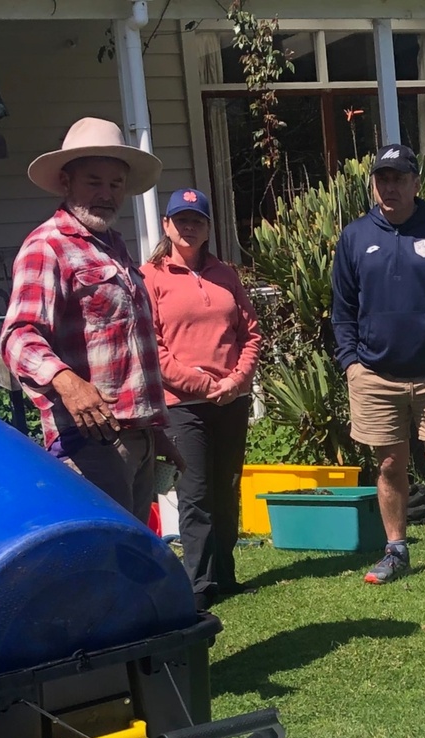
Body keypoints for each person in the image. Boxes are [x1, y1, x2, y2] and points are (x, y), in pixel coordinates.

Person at [1, 117, 184, 519]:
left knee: (133, 560)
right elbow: (18, 336)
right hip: (90, 441)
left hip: (135, 439)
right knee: (104, 564)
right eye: (94, 182)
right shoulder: (47, 246)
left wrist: (154, 432)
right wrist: (68, 384)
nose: (106, 194)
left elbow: (127, 349)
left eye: (115, 184)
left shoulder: (114, 246)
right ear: (66, 182)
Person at [331, 144, 425, 585]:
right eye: (383, 178)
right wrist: (351, 365)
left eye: (399, 178)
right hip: (375, 374)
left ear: (416, 183)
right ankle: (395, 551)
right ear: (374, 184)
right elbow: (342, 309)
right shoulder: (355, 237)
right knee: (389, 465)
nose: (390, 187)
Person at [142, 188, 262, 612]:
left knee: (227, 489)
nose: (189, 227)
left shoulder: (225, 274)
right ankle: (199, 583)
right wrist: (200, 385)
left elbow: (251, 334)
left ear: (208, 227)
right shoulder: (151, 277)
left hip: (232, 398)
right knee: (195, 491)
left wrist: (237, 380)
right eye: (181, 220)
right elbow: (152, 347)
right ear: (167, 225)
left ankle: (226, 575)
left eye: (197, 220)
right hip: (183, 404)